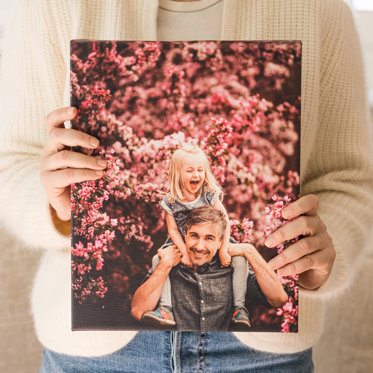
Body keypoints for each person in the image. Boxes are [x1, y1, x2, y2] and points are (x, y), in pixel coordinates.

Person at [0, 0, 372, 371]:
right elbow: (12, 164)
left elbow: (348, 181)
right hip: (97, 353)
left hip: (258, 354)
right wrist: (59, 205)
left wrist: (320, 250)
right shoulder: (50, 6)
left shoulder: (317, 8)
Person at [142, 145, 252, 328]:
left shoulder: (208, 194)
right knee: (157, 259)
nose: (197, 175)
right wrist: (183, 252)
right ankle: (166, 309)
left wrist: (224, 249)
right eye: (190, 170)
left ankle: (239, 309)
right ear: (178, 174)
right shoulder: (171, 200)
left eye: (200, 170)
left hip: (213, 242)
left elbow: (225, 221)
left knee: (240, 259)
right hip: (184, 243)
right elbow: (173, 230)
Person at [132, 204, 288, 331]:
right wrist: (164, 266)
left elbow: (278, 299)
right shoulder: (169, 263)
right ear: (185, 235)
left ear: (220, 242)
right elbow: (138, 311)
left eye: (209, 238)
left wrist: (249, 251)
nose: (200, 246)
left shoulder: (232, 269)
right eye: (194, 236)